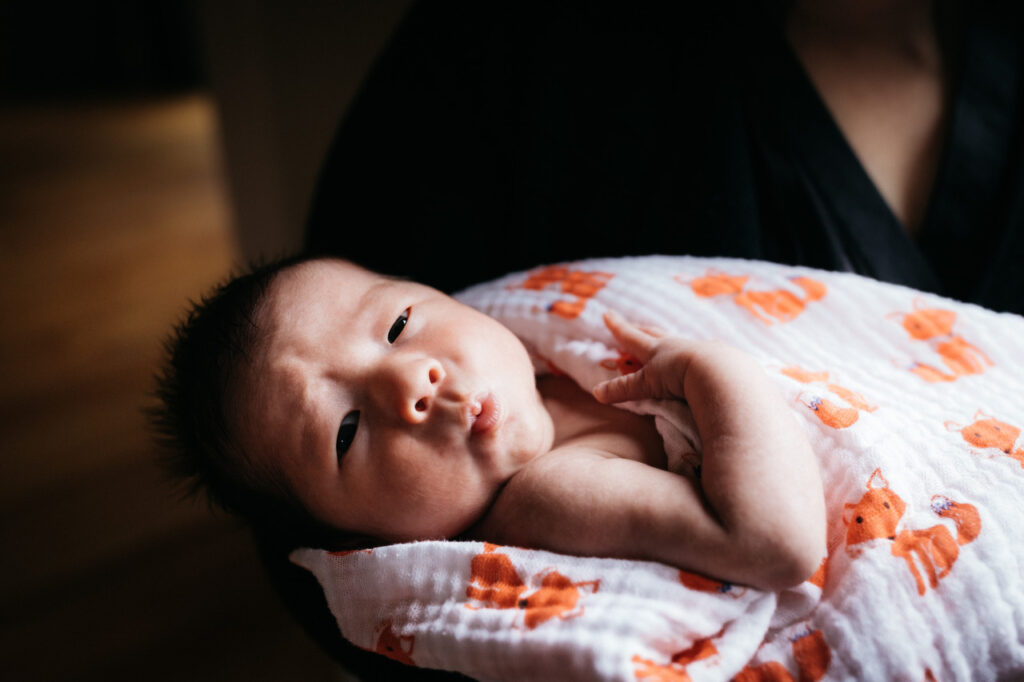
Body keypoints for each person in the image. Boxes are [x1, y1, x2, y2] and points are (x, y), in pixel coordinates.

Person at [153, 255, 826, 594]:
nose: (407, 382)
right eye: (345, 432)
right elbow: (773, 542)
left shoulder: (543, 342)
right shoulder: (552, 495)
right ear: (359, 540)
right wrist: (714, 372)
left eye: (397, 326)